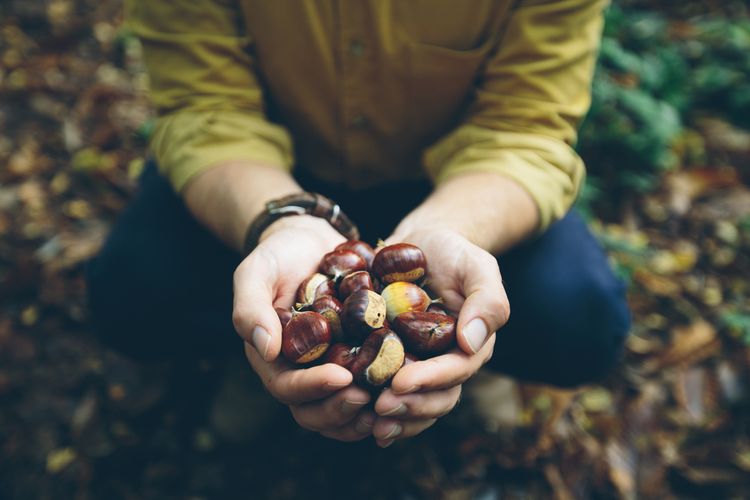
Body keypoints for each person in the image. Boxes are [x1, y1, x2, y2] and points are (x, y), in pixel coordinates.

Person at [87, 0, 631, 448]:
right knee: (129, 292)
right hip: (267, 177)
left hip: (453, 184)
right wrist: (283, 222)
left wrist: (452, 227)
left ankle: (472, 352)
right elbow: (205, 111)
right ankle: (252, 344)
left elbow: (526, 127)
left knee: (580, 318)